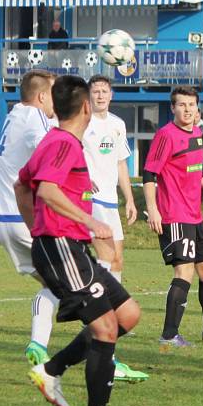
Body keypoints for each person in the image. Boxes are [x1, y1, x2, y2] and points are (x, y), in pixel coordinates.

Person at [15, 75, 141, 406]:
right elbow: (48, 190)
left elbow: (22, 185)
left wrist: (37, 225)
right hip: (61, 247)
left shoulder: (56, 140)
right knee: (105, 329)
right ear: (87, 106)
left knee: (127, 314)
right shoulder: (64, 143)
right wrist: (86, 222)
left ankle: (51, 369)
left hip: (67, 245)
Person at [143, 86, 203, 347]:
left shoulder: (198, 134)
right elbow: (149, 175)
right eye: (182, 105)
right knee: (184, 270)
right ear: (173, 108)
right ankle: (168, 335)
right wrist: (152, 209)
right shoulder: (166, 135)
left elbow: (197, 175)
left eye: (191, 105)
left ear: (197, 108)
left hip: (194, 216)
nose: (187, 110)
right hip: (174, 215)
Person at [83, 75, 147, 383]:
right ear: (89, 95)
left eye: (104, 91)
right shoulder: (83, 123)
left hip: (111, 202)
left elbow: (121, 163)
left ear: (111, 94)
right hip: (91, 200)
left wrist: (130, 200)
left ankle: (107, 317)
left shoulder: (118, 124)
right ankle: (99, 323)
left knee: (116, 262)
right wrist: (83, 178)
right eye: (95, 91)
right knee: (105, 262)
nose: (99, 95)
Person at [0, 70, 59, 365]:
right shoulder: (36, 117)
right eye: (54, 94)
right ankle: (102, 352)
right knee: (68, 282)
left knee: (57, 283)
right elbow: (48, 148)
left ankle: (40, 346)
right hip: (26, 219)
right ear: (42, 96)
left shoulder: (13, 115)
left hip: (4, 221)